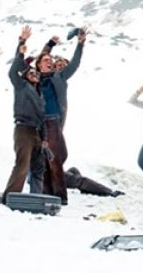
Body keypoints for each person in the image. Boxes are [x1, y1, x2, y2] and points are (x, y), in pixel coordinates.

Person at [27, 30, 86, 203]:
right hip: (38, 122)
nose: (50, 62)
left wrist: (80, 44)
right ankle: (46, 193)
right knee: (42, 159)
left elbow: (74, 64)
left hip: (52, 121)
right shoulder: (34, 77)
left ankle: (60, 195)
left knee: (55, 158)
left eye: (51, 61)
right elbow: (41, 57)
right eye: (47, 61)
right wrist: (50, 44)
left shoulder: (58, 77)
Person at [4, 26, 48, 198]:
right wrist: (21, 45)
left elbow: (42, 118)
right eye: (31, 73)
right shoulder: (21, 86)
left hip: (36, 131)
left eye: (36, 73)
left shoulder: (39, 94)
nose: (34, 74)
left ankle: (36, 196)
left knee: (38, 167)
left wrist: (44, 138)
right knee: (22, 164)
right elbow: (13, 70)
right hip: (23, 129)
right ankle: (11, 195)